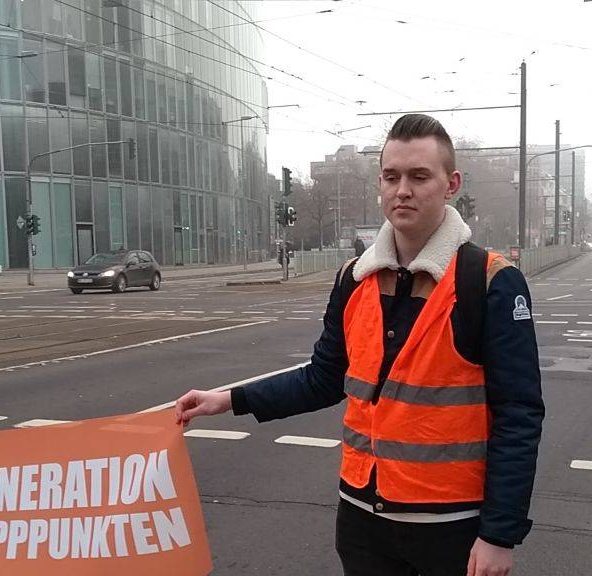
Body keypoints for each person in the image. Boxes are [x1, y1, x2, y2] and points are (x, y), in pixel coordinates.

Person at [175, 114, 544, 576]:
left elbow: (519, 414)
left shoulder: (489, 281)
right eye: (391, 177)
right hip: (362, 521)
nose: (402, 190)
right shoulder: (354, 279)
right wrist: (229, 399)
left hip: (451, 526)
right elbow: (323, 378)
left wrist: (498, 534)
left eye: (418, 176)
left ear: (451, 185)